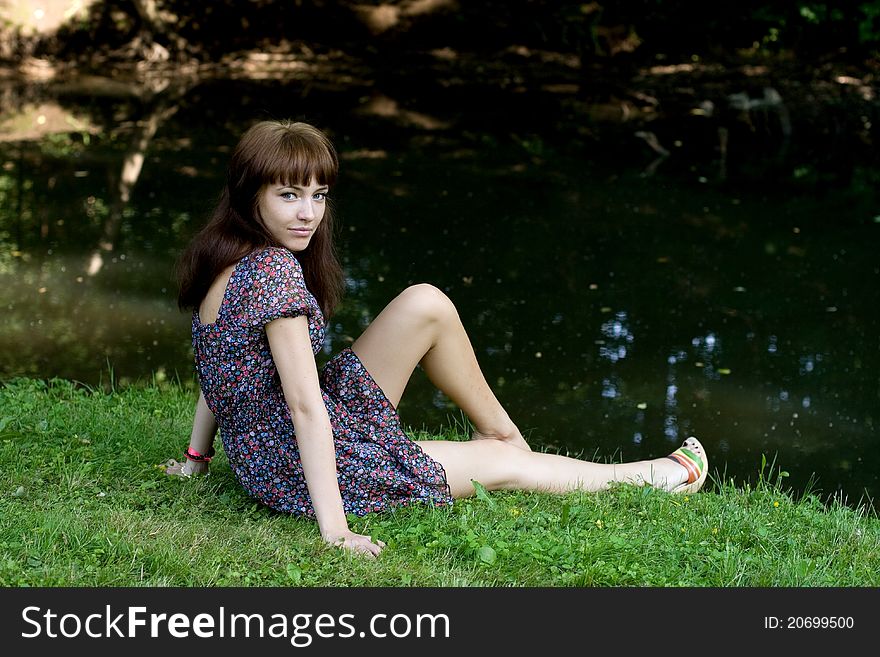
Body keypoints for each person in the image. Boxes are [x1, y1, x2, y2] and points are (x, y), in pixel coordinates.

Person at [164, 120, 708, 558]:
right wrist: (336, 529)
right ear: (249, 195)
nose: (309, 213)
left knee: (426, 302)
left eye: (319, 195)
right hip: (295, 467)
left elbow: (221, 374)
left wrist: (197, 458)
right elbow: (306, 408)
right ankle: (654, 478)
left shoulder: (225, 256)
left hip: (271, 452)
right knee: (508, 472)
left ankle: (503, 435)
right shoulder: (273, 272)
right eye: (289, 195)